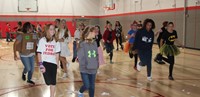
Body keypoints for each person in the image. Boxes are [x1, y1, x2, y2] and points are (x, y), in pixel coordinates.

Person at [37, 24, 60, 97]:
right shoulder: (42, 40)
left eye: (53, 29)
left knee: (53, 82)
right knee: (48, 82)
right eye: (51, 29)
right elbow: (39, 53)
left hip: (53, 63)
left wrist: (57, 63)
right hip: (45, 63)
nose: (53, 31)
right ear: (47, 30)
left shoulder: (56, 41)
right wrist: (41, 65)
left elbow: (57, 54)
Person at [77, 26, 99, 97]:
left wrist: (97, 64)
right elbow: (80, 58)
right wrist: (85, 65)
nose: (95, 33)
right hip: (85, 69)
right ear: (90, 32)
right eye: (94, 32)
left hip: (93, 68)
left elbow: (96, 54)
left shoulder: (95, 43)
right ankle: (80, 91)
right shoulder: (82, 44)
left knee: (92, 86)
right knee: (87, 85)